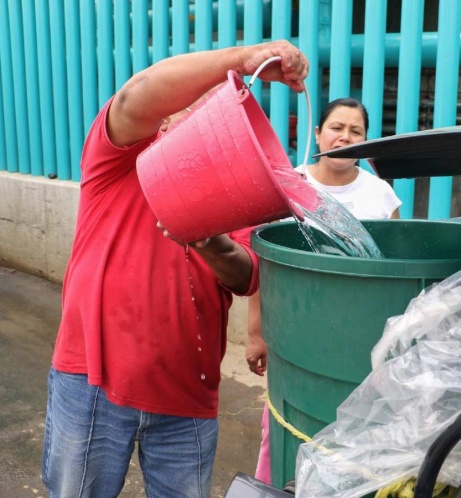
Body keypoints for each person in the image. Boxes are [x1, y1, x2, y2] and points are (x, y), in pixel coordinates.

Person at [42, 41, 308, 497]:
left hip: (188, 395)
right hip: (92, 382)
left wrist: (207, 241)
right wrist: (243, 60)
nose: (208, 129)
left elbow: (245, 276)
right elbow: (133, 97)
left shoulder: (237, 194)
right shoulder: (120, 159)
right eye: (195, 113)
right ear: (165, 120)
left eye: (217, 118)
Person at [246, 97, 402, 484]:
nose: (344, 138)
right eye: (336, 128)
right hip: (295, 331)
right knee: (284, 423)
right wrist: (255, 334)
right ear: (318, 133)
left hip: (361, 340)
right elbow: (263, 265)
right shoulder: (290, 187)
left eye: (355, 132)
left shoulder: (381, 194)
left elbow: (390, 267)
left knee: (355, 436)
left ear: (365, 141)